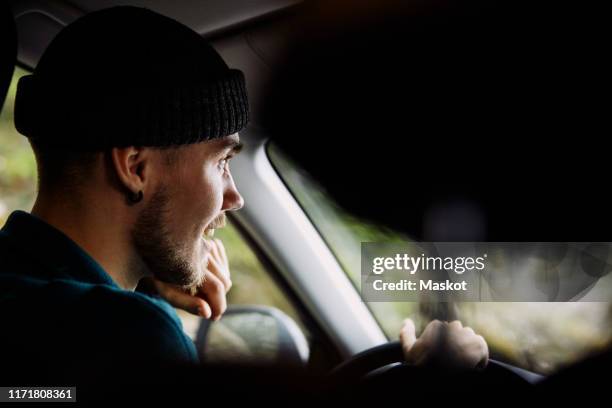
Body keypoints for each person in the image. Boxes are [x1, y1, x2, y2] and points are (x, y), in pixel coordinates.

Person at [0, 6, 487, 388]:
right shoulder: (123, 334)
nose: (234, 197)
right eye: (221, 162)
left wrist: (141, 283)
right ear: (135, 167)